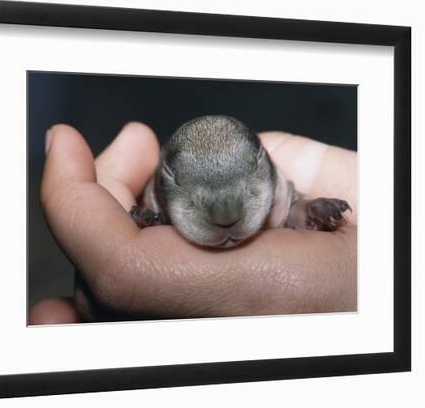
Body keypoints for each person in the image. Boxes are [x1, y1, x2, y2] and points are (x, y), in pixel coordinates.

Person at [30, 122, 357, 324]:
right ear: (161, 181)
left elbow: (292, 203)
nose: (227, 218)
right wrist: (152, 222)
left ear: (265, 163)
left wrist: (307, 211)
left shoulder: (278, 184)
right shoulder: (155, 195)